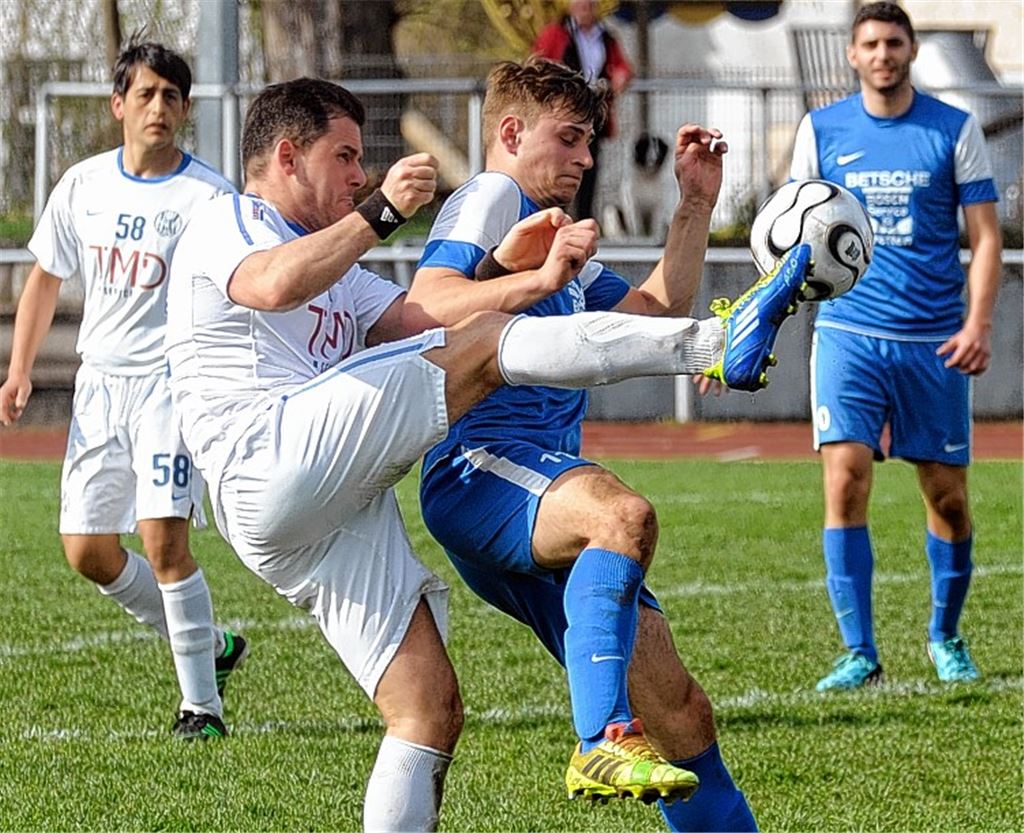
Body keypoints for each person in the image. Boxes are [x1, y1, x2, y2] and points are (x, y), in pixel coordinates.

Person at [164, 74, 807, 832]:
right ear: (286, 156)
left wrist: (544, 270)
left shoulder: (360, 272)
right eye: (343, 157)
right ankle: (716, 343)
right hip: (272, 452)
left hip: (324, 507)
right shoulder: (230, 221)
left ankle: (612, 745)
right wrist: (385, 213)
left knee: (429, 707)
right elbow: (275, 286)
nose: (358, 175)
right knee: (499, 367)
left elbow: (418, 316)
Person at [406, 57, 811, 830]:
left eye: (591, 142)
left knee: (685, 716)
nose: (588, 158)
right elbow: (429, 301)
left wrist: (694, 203)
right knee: (622, 515)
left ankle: (622, 737)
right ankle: (599, 739)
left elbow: (657, 311)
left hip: (536, 487)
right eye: (572, 139)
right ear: (512, 133)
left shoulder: (556, 236)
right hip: (479, 470)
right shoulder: (493, 196)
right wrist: (524, 276)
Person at [0, 38, 248, 739]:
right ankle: (212, 643)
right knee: (86, 550)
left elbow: (239, 287)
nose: (159, 107)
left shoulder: (208, 196)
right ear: (118, 106)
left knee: (163, 537)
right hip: (99, 387)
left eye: (172, 95)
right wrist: (19, 371)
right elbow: (45, 277)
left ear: (186, 109)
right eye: (146, 94)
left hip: (171, 385)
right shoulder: (84, 185)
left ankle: (202, 706)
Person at [789, 1, 1003, 690]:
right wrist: (750, 326)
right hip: (848, 332)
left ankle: (946, 635)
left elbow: (987, 237)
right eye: (870, 43)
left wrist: (977, 325)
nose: (882, 54)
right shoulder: (821, 130)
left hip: (933, 340)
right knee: (845, 476)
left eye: (894, 42)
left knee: (948, 499)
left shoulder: (954, 127)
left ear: (910, 50)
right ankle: (859, 652)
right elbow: (790, 238)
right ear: (853, 55)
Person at [533, 0, 633, 220]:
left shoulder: (606, 37)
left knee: (588, 171)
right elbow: (537, 66)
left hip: (593, 114)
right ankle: (553, 221)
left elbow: (622, 66)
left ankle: (582, 222)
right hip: (560, 115)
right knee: (556, 171)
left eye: (589, 3)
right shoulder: (556, 33)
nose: (584, 6)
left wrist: (620, 77)